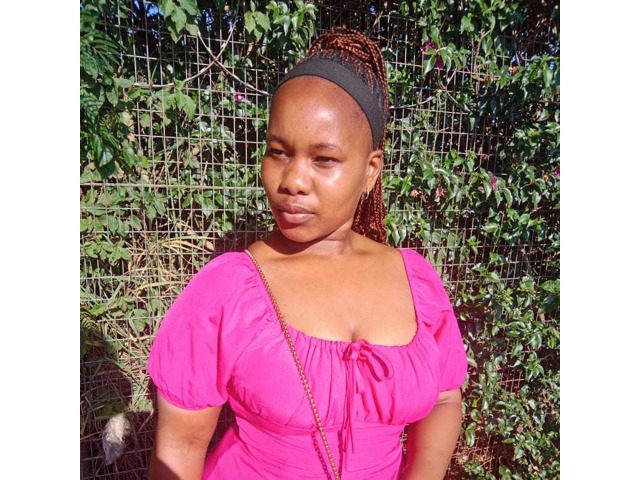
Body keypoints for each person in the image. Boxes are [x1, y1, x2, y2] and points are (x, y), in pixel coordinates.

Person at [147, 27, 467, 480]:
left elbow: (444, 398)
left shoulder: (416, 282)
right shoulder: (228, 289)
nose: (292, 181)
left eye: (324, 159)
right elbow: (181, 445)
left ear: (370, 170)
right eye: (278, 152)